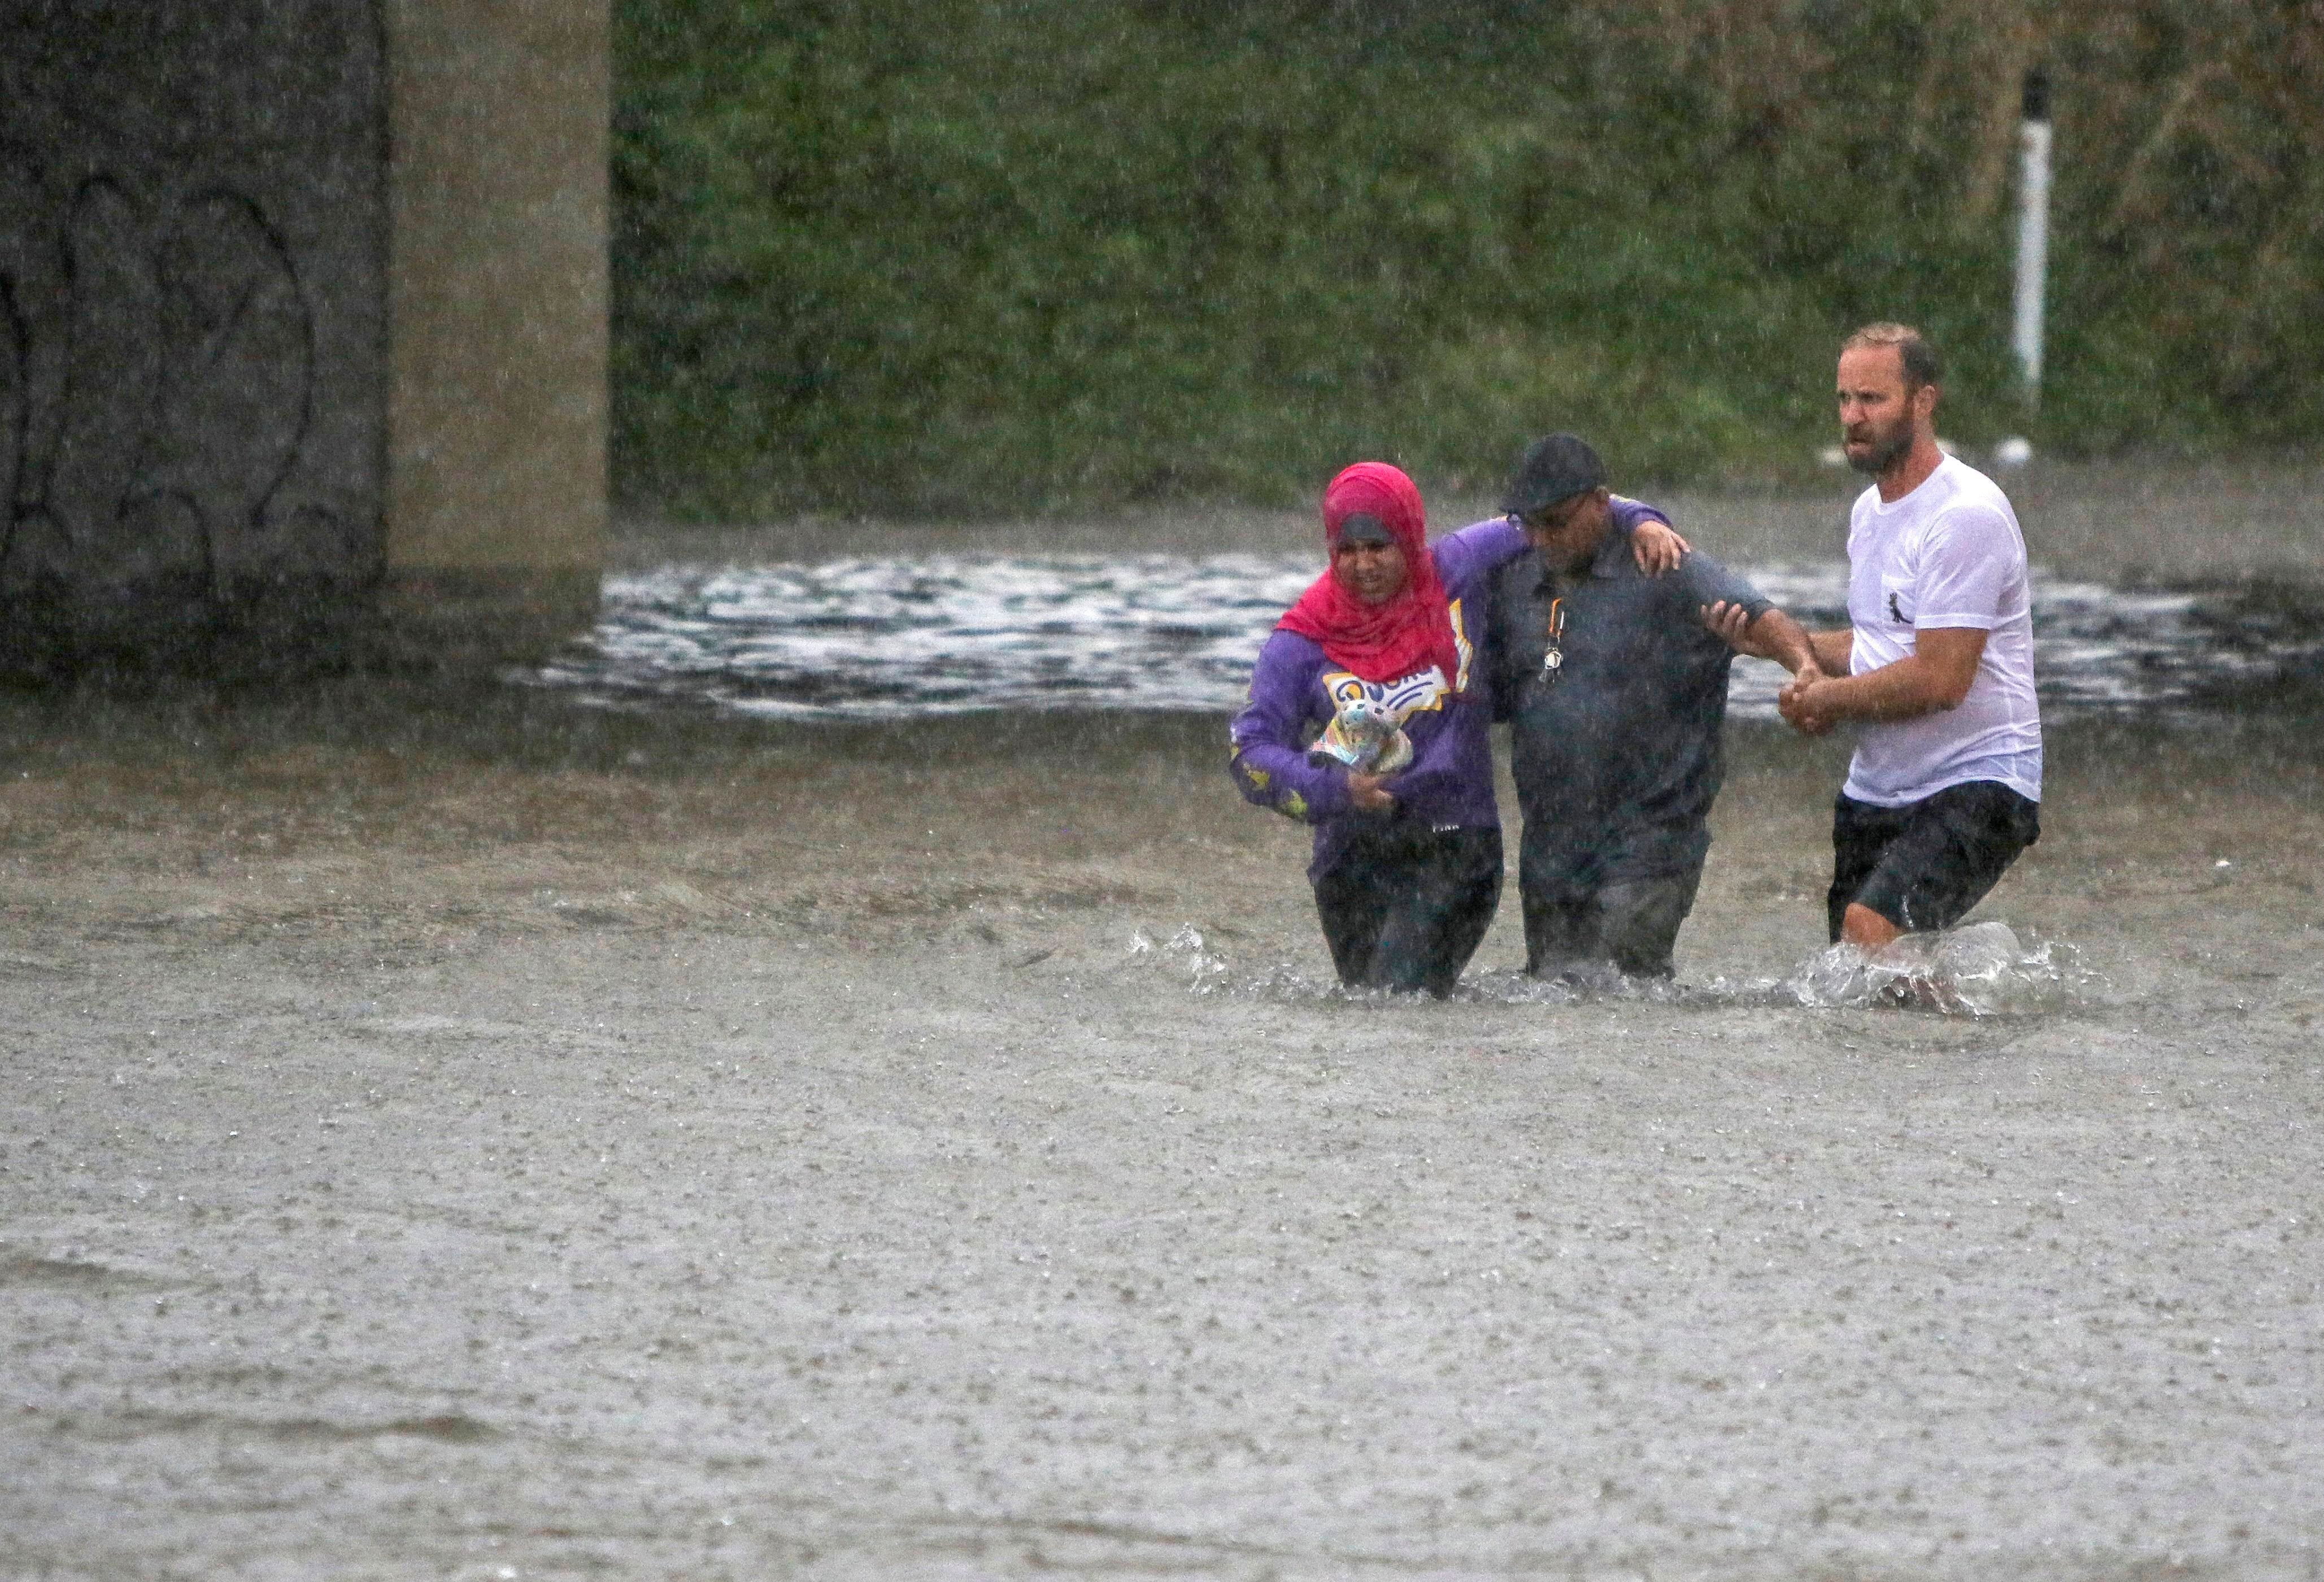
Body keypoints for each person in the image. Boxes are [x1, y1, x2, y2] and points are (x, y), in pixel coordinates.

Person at [1229, 460, 1683, 995]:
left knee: (1398, 996)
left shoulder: (1461, 566)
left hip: (1455, 843)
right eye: (1347, 551)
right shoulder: (1303, 639)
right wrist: (1337, 788)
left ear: (1409, 535)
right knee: (1369, 1010)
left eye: (1379, 546)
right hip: (1349, 858)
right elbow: (1250, 754)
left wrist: (1643, 521)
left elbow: (1567, 508)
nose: (1364, 564)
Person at [1482, 433, 1820, 979]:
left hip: (1652, 840)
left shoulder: (1665, 565)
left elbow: (1763, 617)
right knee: (1553, 1000)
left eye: (1556, 522)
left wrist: (1806, 674)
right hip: (1552, 846)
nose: (1543, 537)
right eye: (1530, 524)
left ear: (1600, 502)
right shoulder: (1515, 576)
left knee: (1617, 992)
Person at [1775, 322, 2043, 948]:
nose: (1852, 417)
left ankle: (1991, 987)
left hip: (1980, 777)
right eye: (1843, 399)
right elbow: (1879, 640)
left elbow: (1940, 678)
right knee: (1851, 973)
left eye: (1871, 399)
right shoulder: (1868, 512)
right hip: (1880, 783)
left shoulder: (1964, 513)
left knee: (1869, 933)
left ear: (1923, 401)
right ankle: (1967, 973)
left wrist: (1827, 702)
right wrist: (1782, 645)